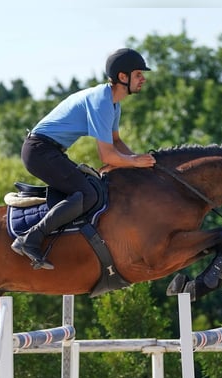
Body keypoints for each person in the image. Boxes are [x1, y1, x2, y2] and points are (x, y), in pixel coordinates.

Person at [11, 47, 157, 270]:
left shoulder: (113, 104)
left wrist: (139, 163)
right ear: (122, 77)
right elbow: (107, 155)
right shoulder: (102, 102)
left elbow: (116, 143)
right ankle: (30, 238)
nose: (143, 79)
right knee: (87, 194)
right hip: (39, 151)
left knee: (92, 189)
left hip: (48, 151)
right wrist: (134, 162)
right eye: (138, 74)